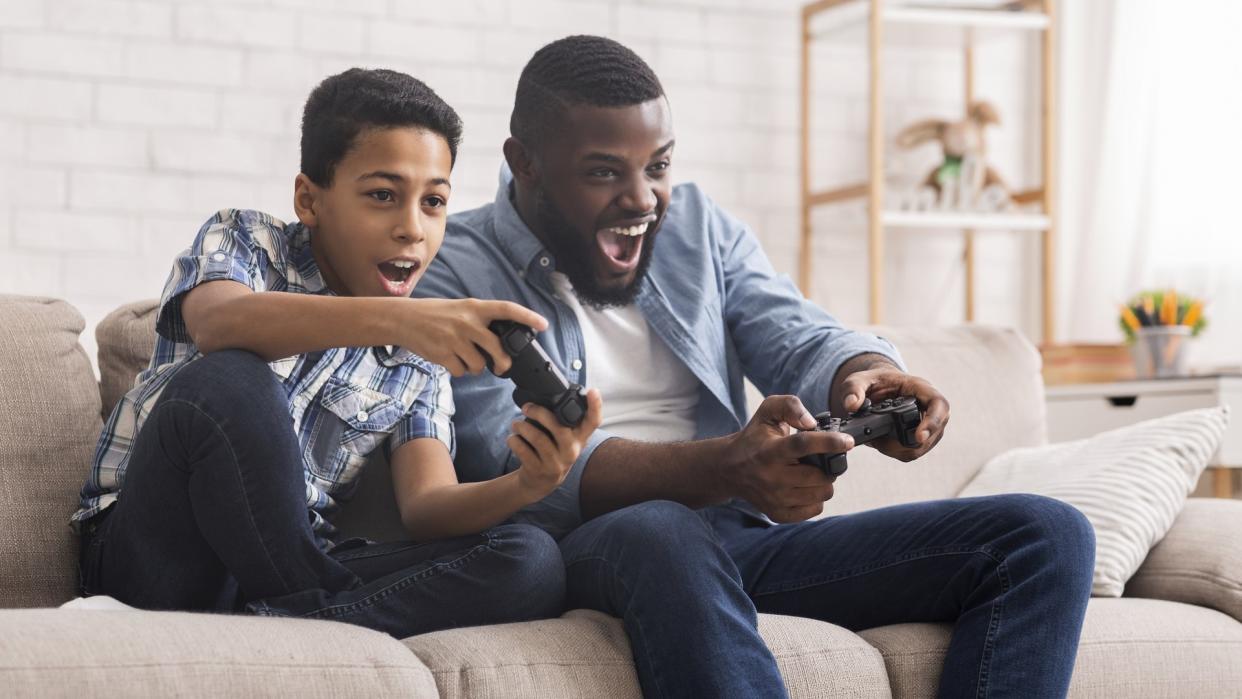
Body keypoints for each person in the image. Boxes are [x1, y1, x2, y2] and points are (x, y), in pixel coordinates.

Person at [414, 35, 1096, 697]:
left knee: (1043, 535)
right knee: (661, 524)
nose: (644, 199)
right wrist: (727, 466)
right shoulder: (452, 269)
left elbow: (791, 329)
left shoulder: (695, 227)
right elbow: (501, 460)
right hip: (583, 546)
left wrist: (865, 370)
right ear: (524, 162)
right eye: (603, 172)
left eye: (658, 165)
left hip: (733, 537)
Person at [71, 67, 601, 639]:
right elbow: (218, 324)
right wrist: (405, 318)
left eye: (434, 202)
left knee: (530, 560)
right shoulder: (247, 240)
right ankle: (319, 619)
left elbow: (428, 506)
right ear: (309, 199)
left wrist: (531, 482)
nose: (412, 229)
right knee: (228, 380)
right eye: (382, 196)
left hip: (281, 569)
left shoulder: (418, 361)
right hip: (157, 551)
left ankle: (278, 627)